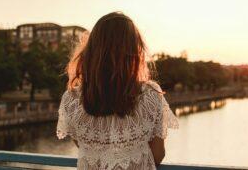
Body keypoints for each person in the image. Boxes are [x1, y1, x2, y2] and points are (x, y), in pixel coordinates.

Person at [57, 12, 178, 170]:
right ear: (134, 51)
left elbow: (85, 146)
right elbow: (157, 154)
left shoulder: (71, 99)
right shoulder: (150, 95)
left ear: (92, 49)